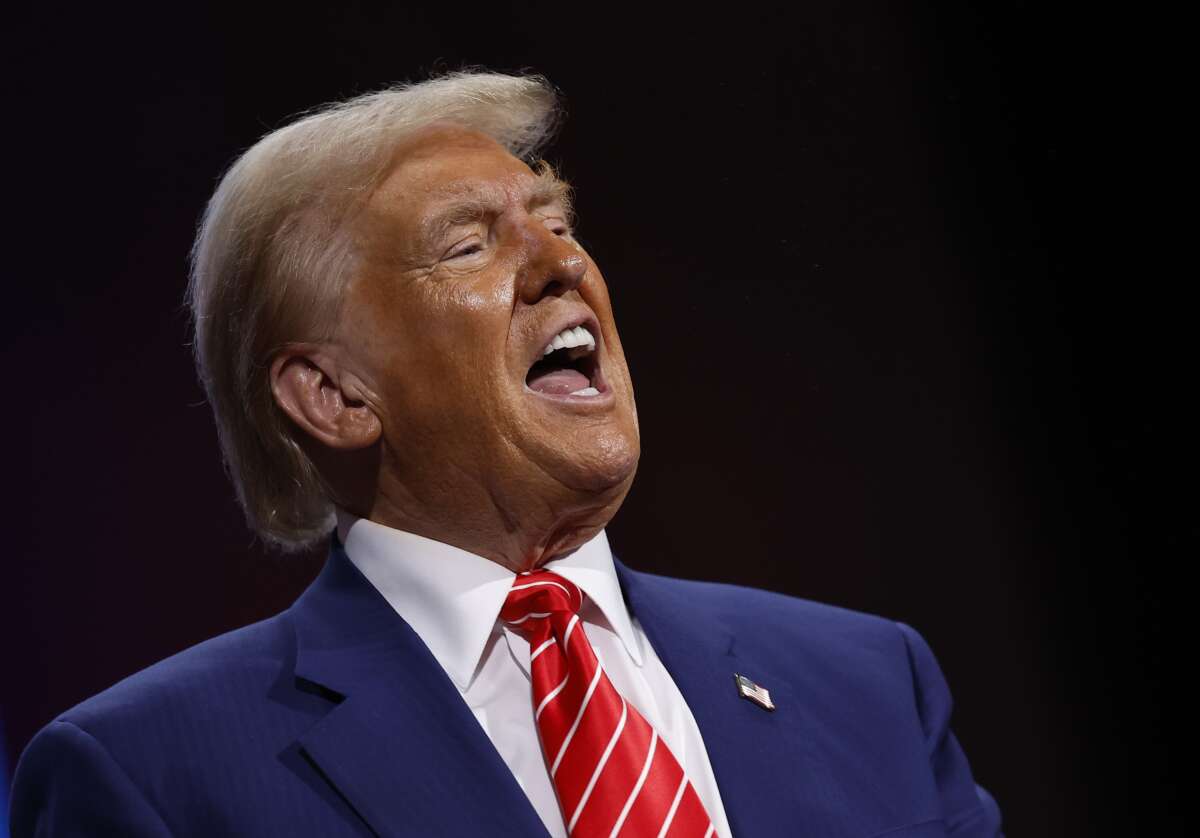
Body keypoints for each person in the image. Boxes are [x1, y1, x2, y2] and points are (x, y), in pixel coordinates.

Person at [10, 72, 1003, 837]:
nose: (565, 264)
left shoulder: (868, 680)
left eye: (560, 224)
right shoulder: (149, 775)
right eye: (469, 245)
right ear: (334, 394)